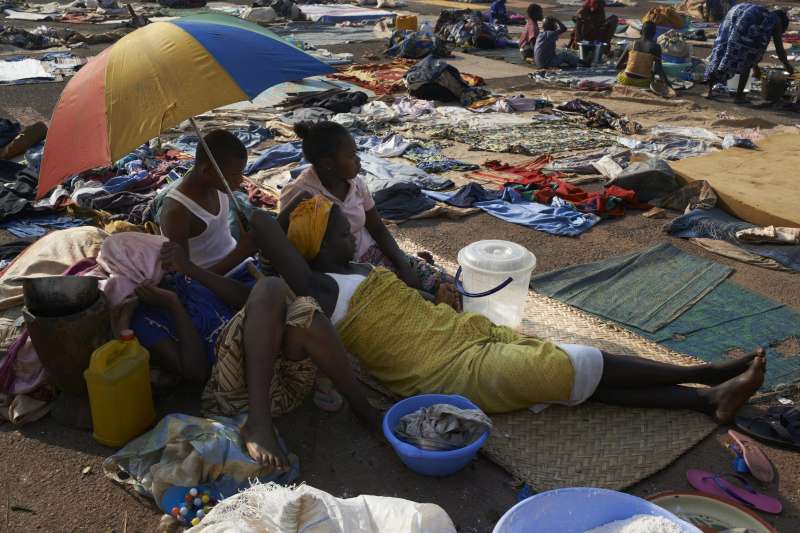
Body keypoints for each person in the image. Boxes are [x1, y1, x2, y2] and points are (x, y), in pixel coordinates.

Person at [247, 194, 766, 424]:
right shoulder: (318, 286)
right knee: (574, 364)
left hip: (464, 336)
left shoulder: (358, 268)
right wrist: (264, 211)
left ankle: (706, 401)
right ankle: (703, 375)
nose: (352, 233)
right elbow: (268, 227)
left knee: (568, 374)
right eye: (342, 231)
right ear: (317, 245)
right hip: (446, 371)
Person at [137, 241, 382, 470]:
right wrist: (174, 306)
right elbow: (196, 372)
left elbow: (252, 301)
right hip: (232, 396)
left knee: (305, 313)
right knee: (271, 286)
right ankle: (258, 423)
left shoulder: (187, 281)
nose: (166, 270)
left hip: (280, 381)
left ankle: (363, 409)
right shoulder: (145, 317)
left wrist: (191, 271)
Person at [279, 121, 446, 294]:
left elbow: (377, 228)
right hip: (339, 272)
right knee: (412, 298)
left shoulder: (356, 183)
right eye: (352, 156)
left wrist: (403, 265)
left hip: (371, 253)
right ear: (328, 163)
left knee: (436, 281)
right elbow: (289, 249)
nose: (358, 160)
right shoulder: (300, 194)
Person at [159, 129, 256, 276]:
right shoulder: (177, 212)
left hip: (244, 264)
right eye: (234, 174)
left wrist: (243, 250)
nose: (240, 180)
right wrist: (240, 253)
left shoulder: (218, 186)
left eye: (241, 173)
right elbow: (186, 280)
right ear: (207, 171)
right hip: (214, 283)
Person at [705, 5, 793, 103]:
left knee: (721, 51)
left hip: (735, 12)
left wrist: (756, 68)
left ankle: (709, 91)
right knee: (746, 60)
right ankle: (739, 97)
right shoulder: (775, 21)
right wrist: (787, 66)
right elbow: (779, 49)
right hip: (744, 20)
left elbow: (754, 43)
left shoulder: (764, 15)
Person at [616, 22, 671, 89]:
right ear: (654, 33)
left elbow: (618, 66)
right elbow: (658, 70)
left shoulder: (631, 44)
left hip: (626, 80)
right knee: (653, 77)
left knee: (620, 74)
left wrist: (631, 64)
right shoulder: (655, 47)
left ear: (641, 31)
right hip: (643, 82)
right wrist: (668, 84)